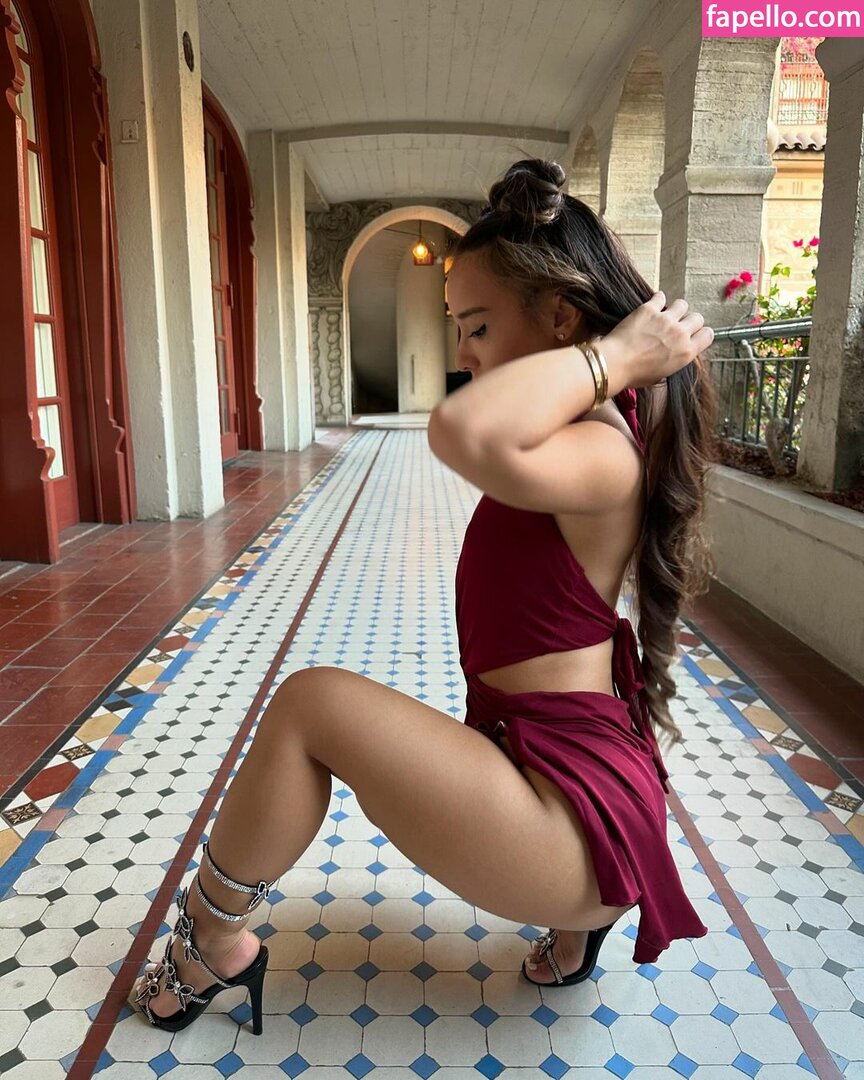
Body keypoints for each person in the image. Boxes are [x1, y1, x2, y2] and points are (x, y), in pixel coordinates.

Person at [132, 158, 715, 1033]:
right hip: (556, 782)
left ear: (561, 318)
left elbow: (458, 427)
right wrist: (604, 359)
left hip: (572, 821)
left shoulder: (602, 451)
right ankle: (574, 931)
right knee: (324, 704)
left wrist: (617, 354)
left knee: (308, 707)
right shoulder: (582, 436)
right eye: (456, 327)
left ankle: (209, 945)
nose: (462, 353)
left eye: (477, 326)